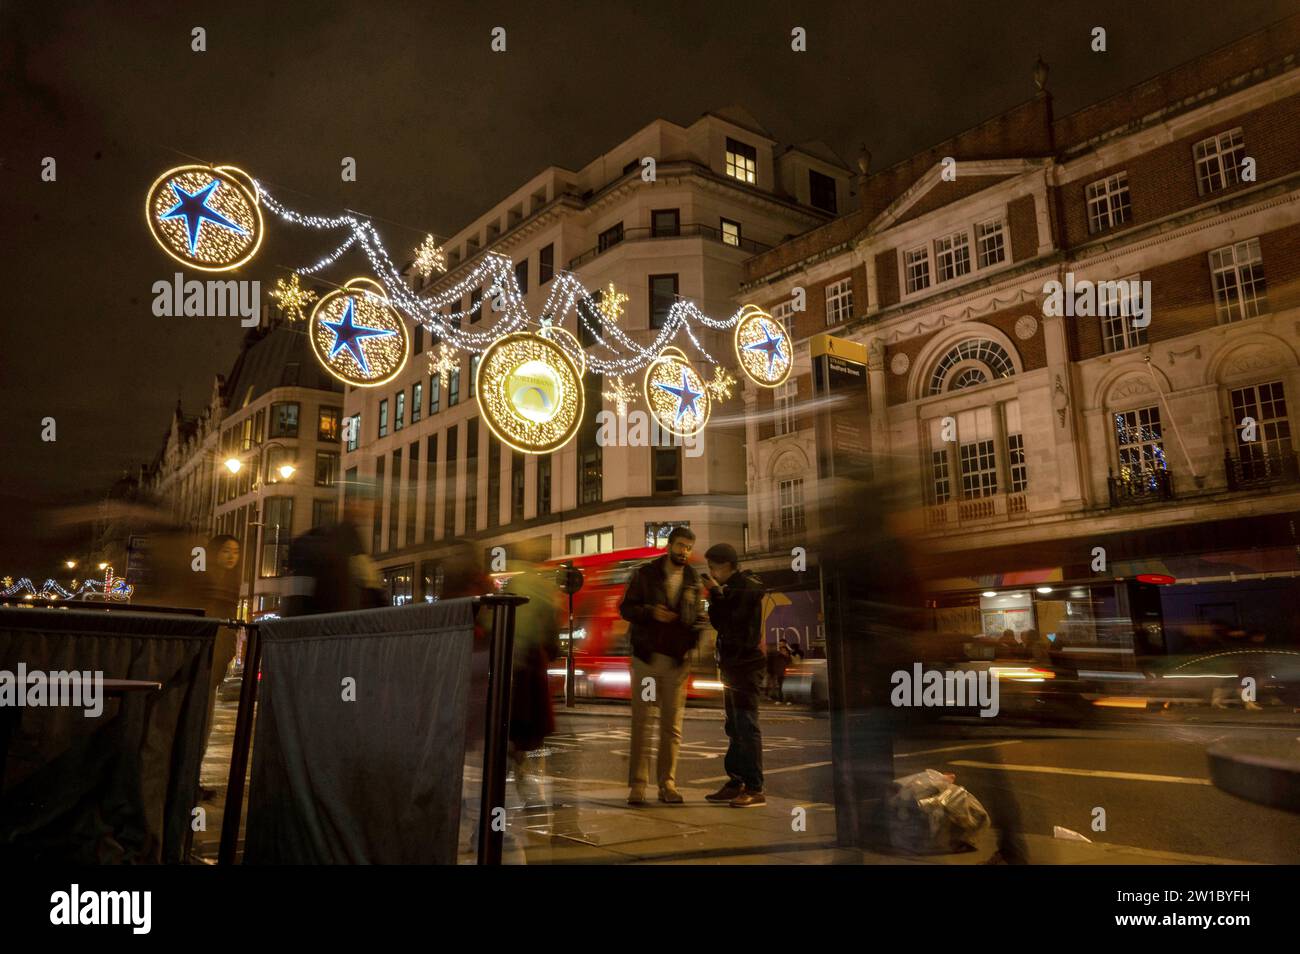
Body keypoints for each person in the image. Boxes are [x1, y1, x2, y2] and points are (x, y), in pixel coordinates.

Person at [619, 526, 707, 805]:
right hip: (647, 659)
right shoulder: (645, 574)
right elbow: (626, 608)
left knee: (672, 726)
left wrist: (694, 644)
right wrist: (650, 612)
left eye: (688, 548)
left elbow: (699, 618)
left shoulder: (693, 578)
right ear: (668, 545)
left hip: (676, 663)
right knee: (643, 723)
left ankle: (667, 784)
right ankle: (638, 785)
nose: (684, 552)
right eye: (680, 545)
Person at [701, 542, 766, 808]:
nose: (712, 573)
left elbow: (733, 620)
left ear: (726, 565)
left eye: (713, 567)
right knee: (734, 725)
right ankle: (736, 780)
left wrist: (717, 594)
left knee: (746, 726)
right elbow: (719, 623)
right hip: (731, 665)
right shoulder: (727, 590)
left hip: (746, 666)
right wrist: (716, 594)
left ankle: (754, 787)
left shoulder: (747, 585)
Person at [503, 564, 561, 803]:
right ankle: (528, 786)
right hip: (533, 668)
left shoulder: (511, 589)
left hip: (511, 668)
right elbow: (552, 642)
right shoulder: (544, 593)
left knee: (513, 729)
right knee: (532, 732)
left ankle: (511, 778)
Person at [281, 486, 384, 616]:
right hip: (340, 624)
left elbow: (294, 601)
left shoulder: (306, 545)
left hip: (318, 625)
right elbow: (372, 588)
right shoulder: (350, 543)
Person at [195, 534, 242, 800]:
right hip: (203, 662)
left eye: (235, 552)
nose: (231, 557)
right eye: (226, 551)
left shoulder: (229, 585)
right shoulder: (208, 584)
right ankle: (189, 779)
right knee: (199, 724)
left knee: (204, 726)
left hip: (215, 665)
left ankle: (192, 778)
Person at [767, 638, 793, 703]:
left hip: (786, 673)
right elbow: (775, 664)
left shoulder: (788, 654)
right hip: (780, 673)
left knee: (787, 687)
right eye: (779, 644)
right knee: (780, 687)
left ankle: (788, 700)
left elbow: (789, 661)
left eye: (781, 644)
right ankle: (780, 699)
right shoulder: (777, 655)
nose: (780, 645)